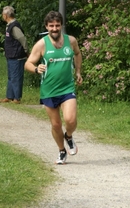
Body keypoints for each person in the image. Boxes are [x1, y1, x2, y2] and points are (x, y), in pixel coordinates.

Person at [25, 11, 83, 164]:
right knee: (56, 125)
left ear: (61, 26)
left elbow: (77, 54)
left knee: (70, 120)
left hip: (67, 88)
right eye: (51, 26)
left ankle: (69, 136)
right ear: (47, 26)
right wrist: (36, 69)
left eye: (57, 25)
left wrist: (78, 71)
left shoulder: (71, 41)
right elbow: (28, 63)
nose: (55, 28)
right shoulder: (42, 44)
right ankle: (61, 151)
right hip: (49, 90)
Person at [0, 6, 28, 104]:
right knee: (11, 76)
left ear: (6, 16)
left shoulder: (14, 26)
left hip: (17, 56)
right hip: (11, 55)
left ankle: (17, 98)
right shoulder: (9, 25)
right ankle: (9, 96)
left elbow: (22, 39)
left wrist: (26, 51)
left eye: (3, 14)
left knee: (16, 77)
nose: (2, 16)